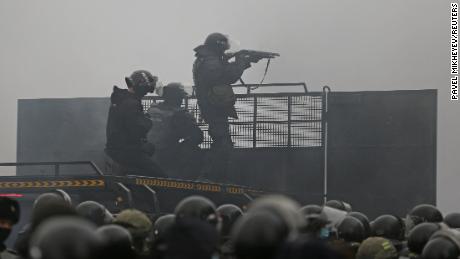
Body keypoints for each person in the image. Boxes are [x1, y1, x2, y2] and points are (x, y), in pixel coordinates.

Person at [192, 32, 261, 181]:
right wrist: (241, 61)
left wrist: (247, 61)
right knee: (221, 143)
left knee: (222, 142)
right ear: (219, 45)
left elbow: (223, 70)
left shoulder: (208, 58)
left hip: (212, 104)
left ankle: (215, 176)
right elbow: (228, 76)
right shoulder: (210, 61)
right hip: (213, 105)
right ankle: (208, 176)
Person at [105, 70, 166, 177]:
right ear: (142, 87)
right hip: (127, 151)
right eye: (146, 90)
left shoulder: (121, 99)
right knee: (161, 178)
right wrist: (149, 121)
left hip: (117, 149)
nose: (146, 93)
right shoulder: (131, 104)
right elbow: (136, 130)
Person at [146, 82, 203, 178]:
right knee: (193, 150)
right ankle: (185, 181)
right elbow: (197, 137)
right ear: (177, 97)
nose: (182, 100)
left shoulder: (153, 109)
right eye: (181, 97)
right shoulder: (179, 114)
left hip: (147, 153)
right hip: (165, 154)